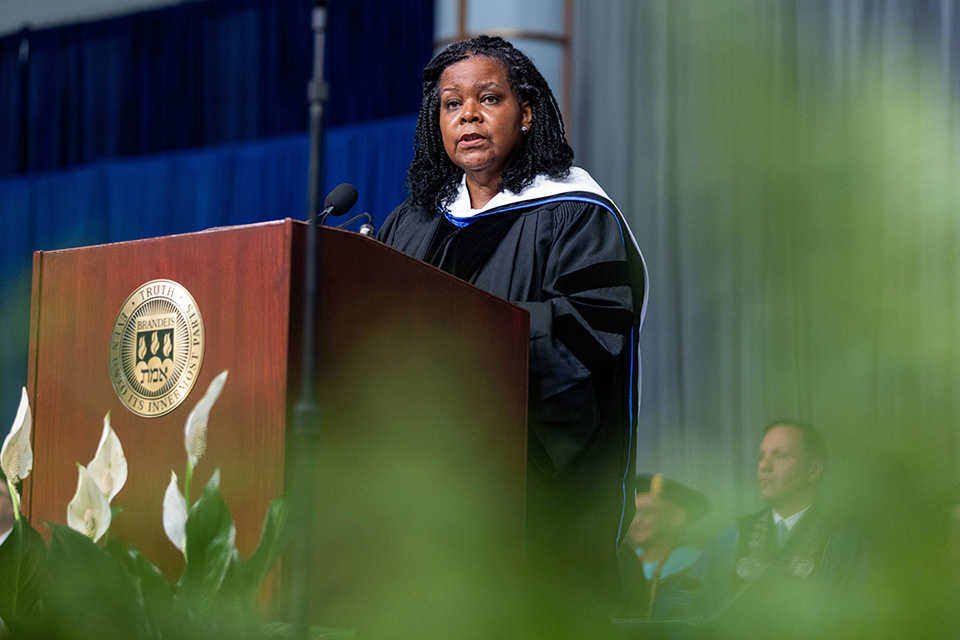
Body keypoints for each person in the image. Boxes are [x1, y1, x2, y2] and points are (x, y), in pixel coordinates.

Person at [378, 35, 648, 617]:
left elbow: (591, 331)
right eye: (452, 104)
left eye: (489, 98)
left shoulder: (574, 211)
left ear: (526, 113)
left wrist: (462, 346)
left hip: (532, 487)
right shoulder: (413, 222)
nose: (468, 115)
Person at [678, 422, 865, 639]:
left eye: (780, 456)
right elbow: (694, 618)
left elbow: (859, 621)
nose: (764, 466)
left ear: (813, 470)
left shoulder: (845, 542)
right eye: (761, 457)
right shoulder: (729, 541)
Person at [619, 473, 709, 619]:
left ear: (677, 518)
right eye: (632, 514)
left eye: (645, 513)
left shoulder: (696, 563)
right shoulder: (623, 560)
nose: (635, 522)